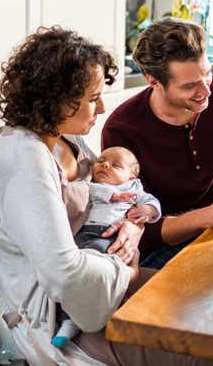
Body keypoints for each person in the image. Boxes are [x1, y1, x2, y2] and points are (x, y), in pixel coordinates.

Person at [0, 26, 213, 366]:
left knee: (212, 310)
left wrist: (134, 227)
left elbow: (113, 197)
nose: (103, 106)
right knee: (209, 351)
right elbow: (66, 274)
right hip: (57, 319)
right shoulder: (25, 160)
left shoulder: (65, 139)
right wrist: (127, 270)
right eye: (93, 98)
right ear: (57, 100)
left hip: (99, 285)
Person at [102, 18, 213, 269]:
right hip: (160, 249)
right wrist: (208, 216)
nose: (207, 91)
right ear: (153, 81)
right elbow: (138, 231)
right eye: (189, 86)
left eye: (207, 75)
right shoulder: (122, 130)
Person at [52, 146, 161, 348]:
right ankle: (67, 320)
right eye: (101, 160)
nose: (105, 164)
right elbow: (85, 190)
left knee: (96, 273)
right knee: (70, 273)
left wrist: (148, 210)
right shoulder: (93, 186)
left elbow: (153, 204)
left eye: (116, 165)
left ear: (131, 178)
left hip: (108, 238)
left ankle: (89, 314)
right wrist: (112, 195)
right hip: (84, 232)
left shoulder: (135, 189)